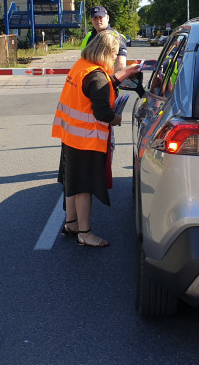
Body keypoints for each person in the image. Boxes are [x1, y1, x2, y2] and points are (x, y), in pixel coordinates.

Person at [52, 29, 141, 247]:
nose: (115, 57)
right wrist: (117, 118)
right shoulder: (97, 76)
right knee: (84, 187)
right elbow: (103, 113)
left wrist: (125, 73)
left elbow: (99, 85)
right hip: (87, 139)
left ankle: (71, 223)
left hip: (71, 135)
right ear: (105, 51)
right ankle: (85, 233)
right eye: (113, 53)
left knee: (71, 182)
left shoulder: (81, 66)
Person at [81, 6, 127, 72]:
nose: (98, 20)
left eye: (100, 17)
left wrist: (104, 78)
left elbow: (120, 64)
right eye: (95, 18)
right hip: (89, 76)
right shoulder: (88, 36)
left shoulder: (117, 37)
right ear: (91, 20)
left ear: (107, 18)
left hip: (107, 78)